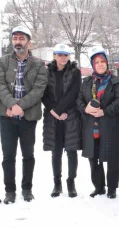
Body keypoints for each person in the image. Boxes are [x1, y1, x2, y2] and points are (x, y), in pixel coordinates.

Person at [0, 25, 47, 204]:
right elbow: (0, 85)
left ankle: (27, 189)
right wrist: (12, 105)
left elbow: (39, 89)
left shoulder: (38, 64)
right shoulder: (3, 61)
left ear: (28, 41)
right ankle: (9, 191)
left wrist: (20, 106)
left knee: (28, 155)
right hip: (7, 116)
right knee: (8, 156)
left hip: (28, 117)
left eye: (21, 38)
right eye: (15, 38)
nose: (18, 42)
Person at [77, 46, 119, 199]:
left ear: (106, 63)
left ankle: (111, 188)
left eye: (102, 61)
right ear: (93, 65)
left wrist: (105, 111)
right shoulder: (86, 82)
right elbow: (78, 100)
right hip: (91, 125)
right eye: (96, 62)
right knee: (94, 157)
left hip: (110, 125)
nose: (100, 64)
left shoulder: (115, 81)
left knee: (112, 158)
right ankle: (99, 187)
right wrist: (86, 109)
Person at [42, 43, 82, 198]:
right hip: (53, 117)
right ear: (54, 56)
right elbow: (44, 94)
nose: (63, 58)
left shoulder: (75, 72)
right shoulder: (47, 72)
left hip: (70, 115)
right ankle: (57, 183)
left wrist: (61, 111)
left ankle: (71, 182)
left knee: (71, 151)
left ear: (69, 56)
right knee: (56, 151)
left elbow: (74, 93)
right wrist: (54, 111)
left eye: (65, 55)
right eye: (60, 55)